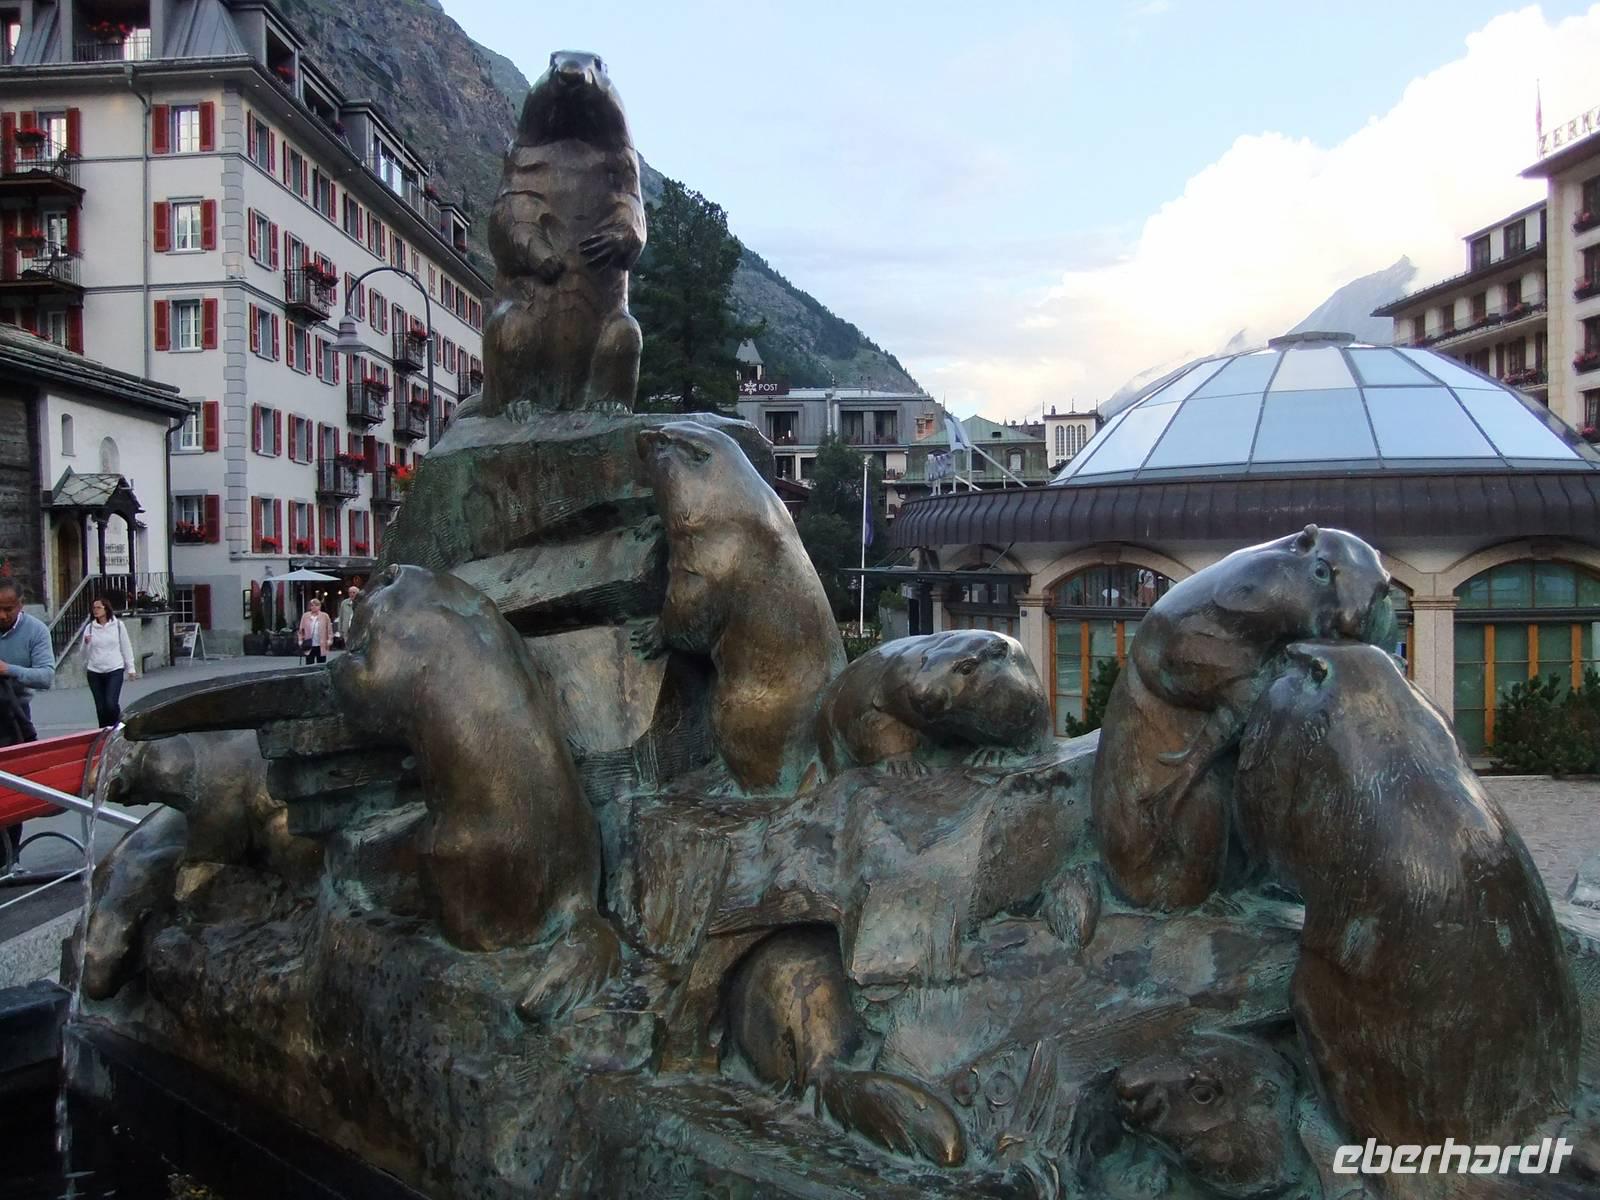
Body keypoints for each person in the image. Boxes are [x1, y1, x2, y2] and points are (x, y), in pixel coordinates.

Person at [0, 578, 54, 864]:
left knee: (9, 789)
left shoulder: (35, 631)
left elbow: (46, 676)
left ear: (20, 605)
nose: (1, 615)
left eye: (7, 608)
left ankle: (9, 856)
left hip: (14, 719)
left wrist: (8, 669)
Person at [82, 596, 137, 728]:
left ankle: (117, 728)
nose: (95, 610)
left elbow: (126, 646)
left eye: (99, 607)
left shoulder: (118, 625)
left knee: (111, 704)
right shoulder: (90, 628)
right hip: (95, 671)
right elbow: (83, 653)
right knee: (101, 708)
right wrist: (86, 643)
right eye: (94, 608)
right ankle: (103, 732)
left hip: (114, 669)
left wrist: (131, 668)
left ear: (106, 609)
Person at [297, 596, 333, 665]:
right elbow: (301, 630)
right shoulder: (305, 616)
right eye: (312, 605)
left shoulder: (325, 616)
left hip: (321, 644)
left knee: (321, 664)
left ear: (319, 606)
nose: (314, 607)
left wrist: (329, 640)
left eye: (316, 605)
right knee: (309, 664)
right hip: (309, 644)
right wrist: (300, 640)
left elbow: (329, 630)